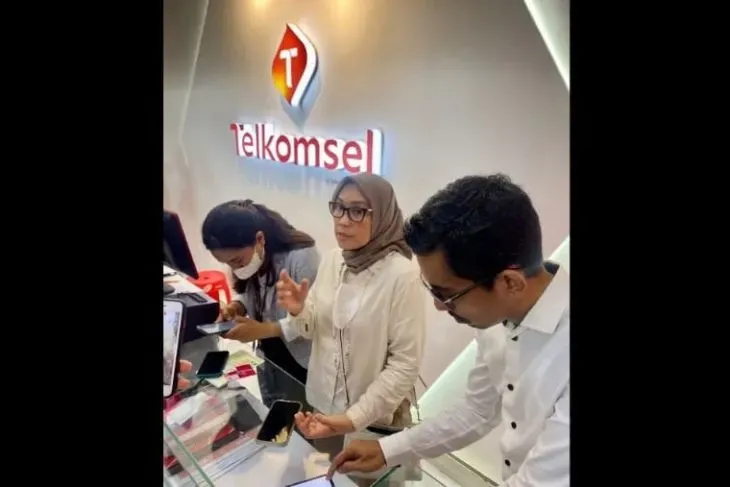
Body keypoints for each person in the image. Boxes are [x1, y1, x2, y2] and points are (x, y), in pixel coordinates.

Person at [328, 174, 570, 487]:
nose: (440, 307)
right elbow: (477, 410)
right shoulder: (496, 318)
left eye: (448, 295)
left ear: (510, 283)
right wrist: (388, 449)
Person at [269, 174, 426, 479]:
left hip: (370, 417)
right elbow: (313, 328)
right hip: (324, 407)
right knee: (330, 476)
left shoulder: (402, 276)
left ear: (382, 216)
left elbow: (404, 366)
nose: (342, 220)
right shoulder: (333, 260)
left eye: (357, 211)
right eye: (338, 207)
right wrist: (299, 310)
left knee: (364, 481)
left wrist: (353, 418)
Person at [201, 200, 320, 407]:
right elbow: (249, 291)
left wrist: (264, 329)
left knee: (299, 415)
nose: (234, 268)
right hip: (269, 356)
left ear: (259, 239)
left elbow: (314, 318)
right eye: (226, 263)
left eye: (237, 261)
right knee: (272, 410)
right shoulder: (252, 255)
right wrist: (237, 306)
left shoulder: (302, 256)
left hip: (302, 360)